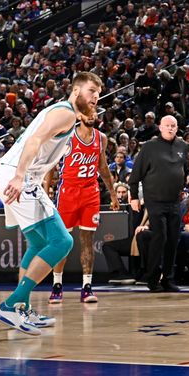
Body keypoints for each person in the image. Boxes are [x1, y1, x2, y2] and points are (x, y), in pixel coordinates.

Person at [0, 72, 102, 335]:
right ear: (75, 92)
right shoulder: (64, 113)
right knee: (63, 242)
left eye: (98, 93)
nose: (95, 97)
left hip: (16, 175)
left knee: (40, 244)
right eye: (90, 91)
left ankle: (21, 308)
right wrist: (20, 177)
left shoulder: (69, 117)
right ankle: (10, 304)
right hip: (17, 175)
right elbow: (34, 140)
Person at [46, 110, 119, 304]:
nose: (91, 116)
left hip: (90, 193)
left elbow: (102, 167)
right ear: (79, 116)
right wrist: (46, 190)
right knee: (62, 241)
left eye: (94, 113)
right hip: (68, 192)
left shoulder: (101, 138)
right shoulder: (67, 136)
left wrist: (112, 193)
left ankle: (87, 287)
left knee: (87, 239)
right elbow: (52, 164)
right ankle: (57, 285)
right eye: (87, 113)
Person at [128, 115, 189, 293]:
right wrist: (134, 197)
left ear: (177, 127)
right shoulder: (149, 147)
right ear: (160, 127)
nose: (170, 128)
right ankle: (153, 278)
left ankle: (168, 279)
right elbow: (135, 176)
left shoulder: (182, 146)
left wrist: (185, 181)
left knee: (173, 239)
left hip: (175, 201)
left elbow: (185, 169)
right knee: (160, 237)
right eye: (167, 125)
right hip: (154, 200)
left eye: (173, 126)